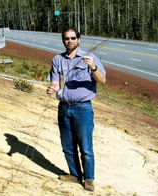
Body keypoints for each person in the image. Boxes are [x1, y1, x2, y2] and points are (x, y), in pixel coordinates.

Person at [46, 27, 106, 191]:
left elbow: (102, 80)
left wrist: (93, 67)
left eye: (73, 38)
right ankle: (74, 174)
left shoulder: (90, 57)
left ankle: (88, 178)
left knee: (85, 147)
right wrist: (52, 89)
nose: (70, 41)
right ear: (63, 40)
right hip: (64, 107)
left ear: (79, 39)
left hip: (83, 108)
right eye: (67, 38)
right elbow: (56, 83)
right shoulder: (57, 60)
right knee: (68, 146)